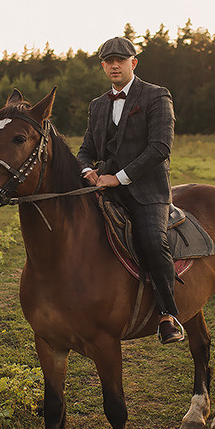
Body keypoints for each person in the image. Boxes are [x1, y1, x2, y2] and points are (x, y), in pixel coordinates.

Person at [77, 36, 184, 344]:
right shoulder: (97, 105)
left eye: (120, 60)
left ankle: (168, 315)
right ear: (102, 67)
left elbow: (160, 148)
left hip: (147, 191)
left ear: (133, 63)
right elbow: (85, 149)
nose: (114, 65)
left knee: (152, 240)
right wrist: (88, 171)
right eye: (108, 61)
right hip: (104, 191)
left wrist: (119, 177)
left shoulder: (156, 96)